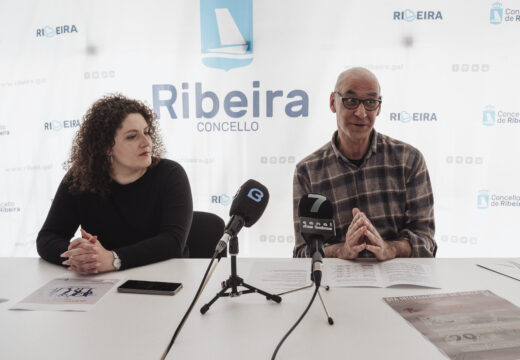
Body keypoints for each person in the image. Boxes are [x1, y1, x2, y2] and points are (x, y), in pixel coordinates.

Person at [37, 94, 193, 273]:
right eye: (132, 136)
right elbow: (48, 237)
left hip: (164, 278)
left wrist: (114, 259)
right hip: (103, 283)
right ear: (106, 146)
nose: (146, 142)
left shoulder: (170, 174)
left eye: (147, 132)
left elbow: (173, 242)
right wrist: (81, 256)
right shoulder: (80, 177)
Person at [293, 67, 436, 260]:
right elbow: (303, 252)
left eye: (370, 102)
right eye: (351, 101)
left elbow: (426, 242)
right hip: (335, 286)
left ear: (379, 107)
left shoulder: (409, 160)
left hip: (397, 285)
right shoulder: (308, 171)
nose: (361, 113)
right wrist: (341, 251)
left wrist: (389, 248)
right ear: (333, 102)